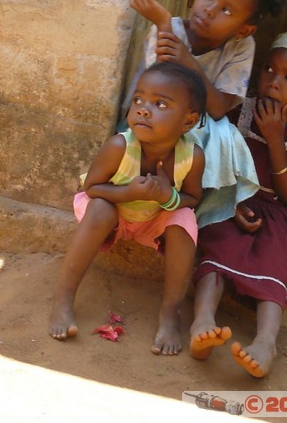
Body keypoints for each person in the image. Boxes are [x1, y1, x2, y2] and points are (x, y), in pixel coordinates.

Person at [189, 32, 287, 378]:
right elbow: (217, 157)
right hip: (234, 200)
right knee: (217, 249)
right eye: (269, 69)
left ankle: (265, 342)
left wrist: (274, 138)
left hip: (281, 213)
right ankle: (202, 321)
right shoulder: (241, 110)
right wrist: (229, 200)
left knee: (275, 262)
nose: (274, 82)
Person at [49, 62, 206, 356]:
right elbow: (92, 188)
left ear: (188, 121)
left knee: (184, 219)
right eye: (138, 99)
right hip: (114, 214)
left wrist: (168, 197)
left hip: (154, 219)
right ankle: (63, 297)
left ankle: (170, 311)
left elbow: (193, 197)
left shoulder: (193, 157)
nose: (143, 109)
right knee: (101, 209)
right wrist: (127, 192)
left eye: (159, 103)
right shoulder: (119, 146)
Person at [121, 0, 284, 228]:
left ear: (244, 30)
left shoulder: (241, 47)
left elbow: (219, 107)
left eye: (226, 10)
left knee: (224, 132)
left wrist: (188, 60)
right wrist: (163, 23)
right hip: (148, 119)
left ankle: (205, 211)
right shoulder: (168, 30)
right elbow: (158, 93)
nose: (209, 10)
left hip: (193, 127)